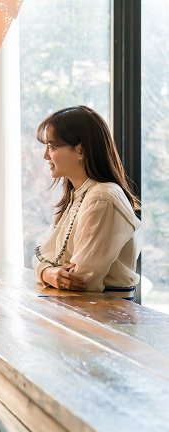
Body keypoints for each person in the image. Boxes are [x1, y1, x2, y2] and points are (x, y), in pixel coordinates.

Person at [32, 105, 141, 299]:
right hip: (81, 311)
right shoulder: (78, 195)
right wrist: (48, 273)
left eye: (53, 147)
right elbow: (39, 254)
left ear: (80, 150)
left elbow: (80, 281)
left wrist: (51, 273)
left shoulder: (102, 197)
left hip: (104, 317)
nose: (46, 155)